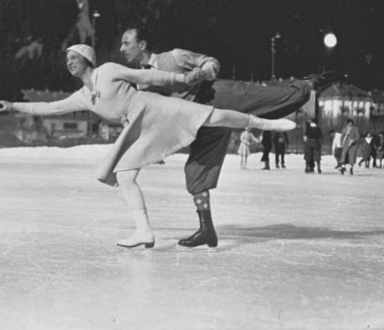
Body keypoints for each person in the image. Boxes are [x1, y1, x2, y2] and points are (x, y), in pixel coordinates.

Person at [0, 44, 296, 249]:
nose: (69, 62)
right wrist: (14, 106)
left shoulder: (108, 70)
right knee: (124, 174)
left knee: (209, 117)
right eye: (67, 59)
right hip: (136, 129)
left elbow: (146, 74)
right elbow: (51, 107)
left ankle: (265, 123)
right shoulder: (84, 96)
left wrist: (180, 77)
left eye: (75, 58)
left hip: (152, 108)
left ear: (87, 60)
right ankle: (144, 231)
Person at [119, 26, 345, 248]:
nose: (122, 48)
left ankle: (308, 84)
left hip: (218, 96)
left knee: (270, 100)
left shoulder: (175, 57)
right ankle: (206, 230)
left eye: (126, 43)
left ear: (142, 45)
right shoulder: (141, 82)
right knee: (195, 173)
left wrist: (203, 72)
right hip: (201, 122)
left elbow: (211, 62)